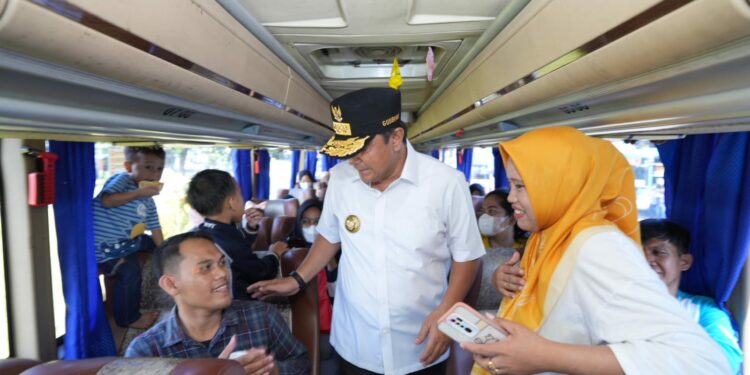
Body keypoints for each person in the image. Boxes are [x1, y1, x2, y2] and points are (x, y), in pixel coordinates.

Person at [248, 87, 485, 375]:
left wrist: (446, 314)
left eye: (361, 149)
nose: (353, 160)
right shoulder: (342, 180)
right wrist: (298, 279)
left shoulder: (446, 183)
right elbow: (329, 236)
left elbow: (467, 256)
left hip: (420, 346)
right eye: (348, 151)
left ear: (396, 138)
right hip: (355, 345)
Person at [463, 126, 730, 375]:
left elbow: (700, 361)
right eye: (511, 185)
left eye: (520, 186)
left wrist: (545, 356)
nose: (510, 197)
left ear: (560, 184)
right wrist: (508, 284)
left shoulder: (598, 246)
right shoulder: (549, 236)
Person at [125, 231, 309, 375]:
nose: (222, 273)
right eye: (206, 267)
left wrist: (275, 371)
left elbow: (302, 363)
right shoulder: (145, 351)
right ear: (171, 284)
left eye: (222, 263)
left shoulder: (262, 316)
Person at [641, 219, 742, 373]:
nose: (647, 260)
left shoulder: (704, 310)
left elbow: (726, 363)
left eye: (658, 252)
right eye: (637, 253)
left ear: (684, 262)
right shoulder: (614, 306)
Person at [93, 146, 165, 328]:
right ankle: (128, 318)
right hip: (106, 247)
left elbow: (155, 228)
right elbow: (107, 201)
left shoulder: (148, 201)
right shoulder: (122, 180)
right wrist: (138, 193)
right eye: (148, 167)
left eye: (159, 169)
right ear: (128, 166)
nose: (154, 174)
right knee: (131, 272)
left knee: (157, 245)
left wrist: (165, 252)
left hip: (129, 241)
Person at [186, 169, 284, 300]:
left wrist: (251, 227)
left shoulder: (206, 232)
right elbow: (259, 272)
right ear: (232, 202)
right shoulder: (228, 240)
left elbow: (238, 248)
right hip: (234, 307)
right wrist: (274, 254)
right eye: (240, 195)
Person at [475, 190, 519, 315]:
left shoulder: (526, 248)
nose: (484, 217)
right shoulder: (474, 245)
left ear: (511, 219)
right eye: (483, 212)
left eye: (492, 211)